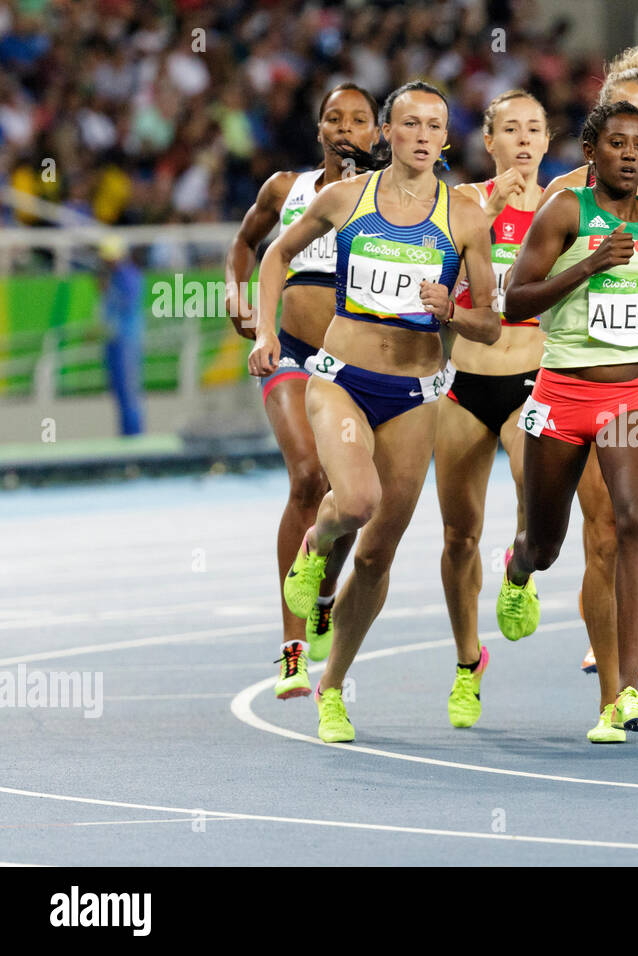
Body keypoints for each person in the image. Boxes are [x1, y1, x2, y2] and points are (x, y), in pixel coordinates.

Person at [248, 80, 501, 743]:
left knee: (377, 557)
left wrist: (455, 312)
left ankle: (332, 686)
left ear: (447, 139)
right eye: (409, 123)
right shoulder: (344, 199)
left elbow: (493, 324)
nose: (422, 135)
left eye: (435, 126)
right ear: (386, 132)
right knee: (354, 502)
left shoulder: (467, 217)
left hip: (416, 395)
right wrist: (266, 333)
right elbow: (274, 253)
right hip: (339, 378)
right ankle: (315, 545)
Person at [496, 100, 638, 743]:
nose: (630, 154)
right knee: (546, 541)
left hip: (635, 395)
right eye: (617, 143)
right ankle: (517, 570)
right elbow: (516, 297)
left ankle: (623, 693)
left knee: (635, 523)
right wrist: (590, 263)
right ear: (592, 151)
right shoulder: (566, 211)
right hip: (563, 394)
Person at [226, 83, 379, 700]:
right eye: (334, 118)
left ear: (379, 133)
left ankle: (321, 592)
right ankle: (293, 650)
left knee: (353, 498)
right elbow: (245, 244)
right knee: (308, 478)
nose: (346, 128)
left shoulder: (394, 201)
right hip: (289, 351)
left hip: (358, 362)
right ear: (319, 129)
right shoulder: (285, 189)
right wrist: (242, 304)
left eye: (360, 120)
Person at [436, 89, 550, 728]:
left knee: (532, 501)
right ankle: (466, 662)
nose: (524, 140)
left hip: (533, 377)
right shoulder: (464, 206)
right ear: (490, 142)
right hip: (465, 384)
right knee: (458, 535)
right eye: (511, 129)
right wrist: (486, 208)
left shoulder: (564, 209)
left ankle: (520, 570)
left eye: (535, 129)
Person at [99, 236, 145, 437]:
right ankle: (126, 433)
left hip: (127, 339)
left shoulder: (128, 276)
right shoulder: (113, 277)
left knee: (128, 389)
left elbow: (126, 304)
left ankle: (134, 433)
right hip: (114, 339)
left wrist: (108, 289)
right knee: (118, 390)